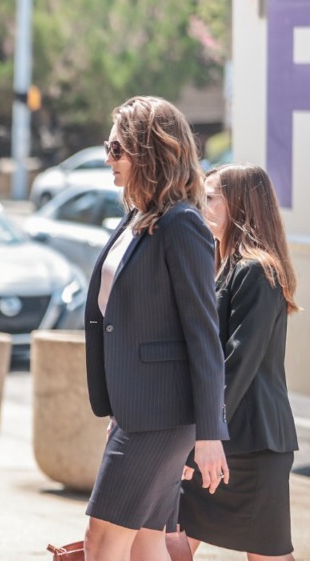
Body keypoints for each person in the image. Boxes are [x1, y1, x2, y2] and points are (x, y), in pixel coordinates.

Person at [83, 96, 230, 561]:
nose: (108, 159)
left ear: (150, 152)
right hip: (138, 410)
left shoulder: (182, 224)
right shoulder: (137, 219)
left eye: (117, 149)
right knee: (147, 543)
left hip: (161, 416)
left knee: (102, 541)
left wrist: (210, 434)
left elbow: (203, 334)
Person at [179, 163, 300, 560]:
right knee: (170, 540)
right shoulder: (223, 267)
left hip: (251, 443)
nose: (202, 203)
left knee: (265, 554)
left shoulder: (256, 270)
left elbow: (237, 362)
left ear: (240, 204)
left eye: (211, 196)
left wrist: (203, 433)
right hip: (223, 437)